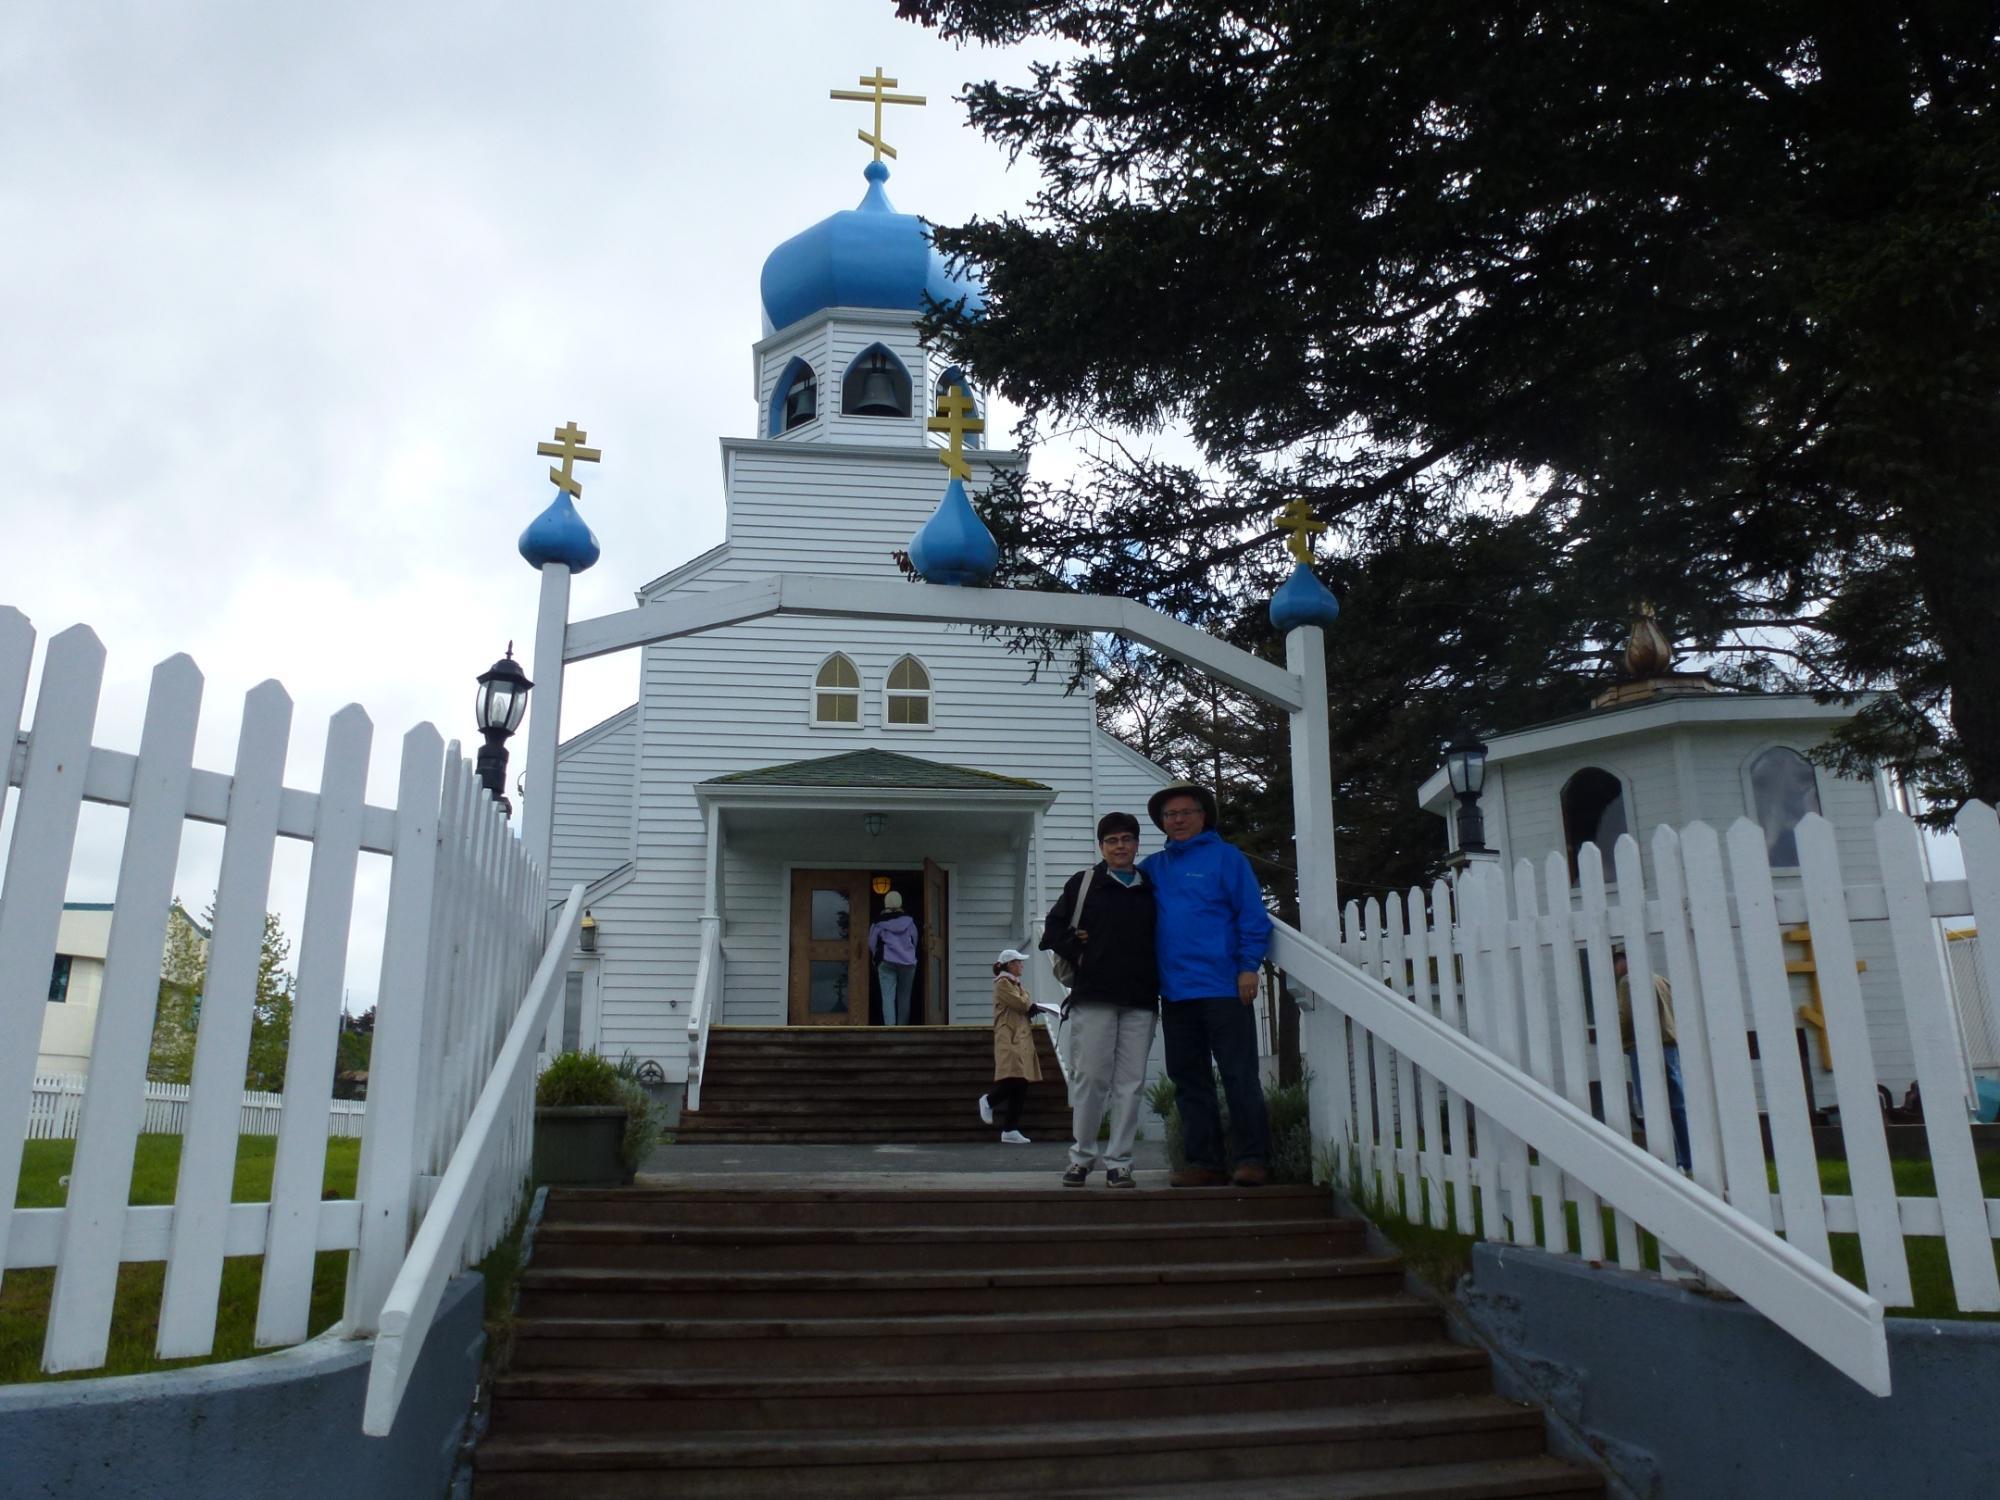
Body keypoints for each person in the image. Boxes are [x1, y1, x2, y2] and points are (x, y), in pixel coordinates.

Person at [1141, 782, 1273, 1187]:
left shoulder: (1227, 859)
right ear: (1162, 822)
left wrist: (1248, 966)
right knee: (1189, 1080)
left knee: (1239, 1075)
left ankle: (1252, 1159)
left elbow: (1252, 916)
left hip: (1224, 988)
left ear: (1203, 816)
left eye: (1186, 812)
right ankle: (1204, 1162)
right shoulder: (1152, 868)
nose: (1178, 820)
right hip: (1175, 993)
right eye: (1170, 815)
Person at [1040, 811, 1159, 1188]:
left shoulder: (1151, 887)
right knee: (1090, 1077)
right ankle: (1082, 1156)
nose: (1120, 846)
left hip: (1140, 997)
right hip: (1093, 996)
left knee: (1130, 1082)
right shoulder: (1085, 883)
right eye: (1112, 840)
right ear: (1101, 846)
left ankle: (1119, 1161)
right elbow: (1053, 929)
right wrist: (1076, 947)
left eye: (1126, 839)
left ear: (1137, 844)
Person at [1614, 948, 1693, 1171]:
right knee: (1677, 1103)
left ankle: (1669, 1156)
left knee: (1651, 1103)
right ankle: (1687, 1157)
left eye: (1618, 961)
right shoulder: (1661, 980)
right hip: (1668, 1044)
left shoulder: (1627, 982)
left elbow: (1626, 1016)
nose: (1616, 967)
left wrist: (1620, 1041)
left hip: (1643, 1047)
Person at [980, 949, 1040, 1143]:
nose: (1022, 965)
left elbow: (1024, 1004)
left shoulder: (1015, 984)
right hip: (1009, 1037)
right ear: (1010, 965)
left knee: (1021, 1082)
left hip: (1020, 1037)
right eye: (1019, 962)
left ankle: (1010, 1129)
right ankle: (989, 1101)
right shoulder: (1003, 984)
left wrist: (1029, 1003)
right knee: (1013, 1079)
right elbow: (1022, 1004)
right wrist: (1028, 1001)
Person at [868, 890, 919, 1026]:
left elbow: (872, 943)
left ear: (885, 904)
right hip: (908, 962)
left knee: (888, 996)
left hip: (886, 961)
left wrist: (876, 958)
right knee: (904, 997)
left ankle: (890, 1027)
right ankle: (903, 1028)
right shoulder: (909, 922)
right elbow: (915, 940)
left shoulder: (878, 923)